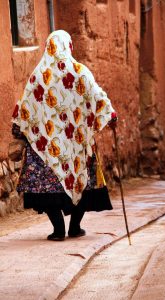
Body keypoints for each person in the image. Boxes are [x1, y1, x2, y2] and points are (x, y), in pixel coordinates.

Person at [11, 30, 117, 241]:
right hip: (77, 147)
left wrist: (20, 131)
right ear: (68, 47)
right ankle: (75, 227)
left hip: (46, 148)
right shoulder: (79, 71)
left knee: (47, 189)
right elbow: (98, 97)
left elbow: (25, 108)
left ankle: (58, 229)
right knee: (83, 184)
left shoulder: (38, 75)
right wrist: (111, 115)